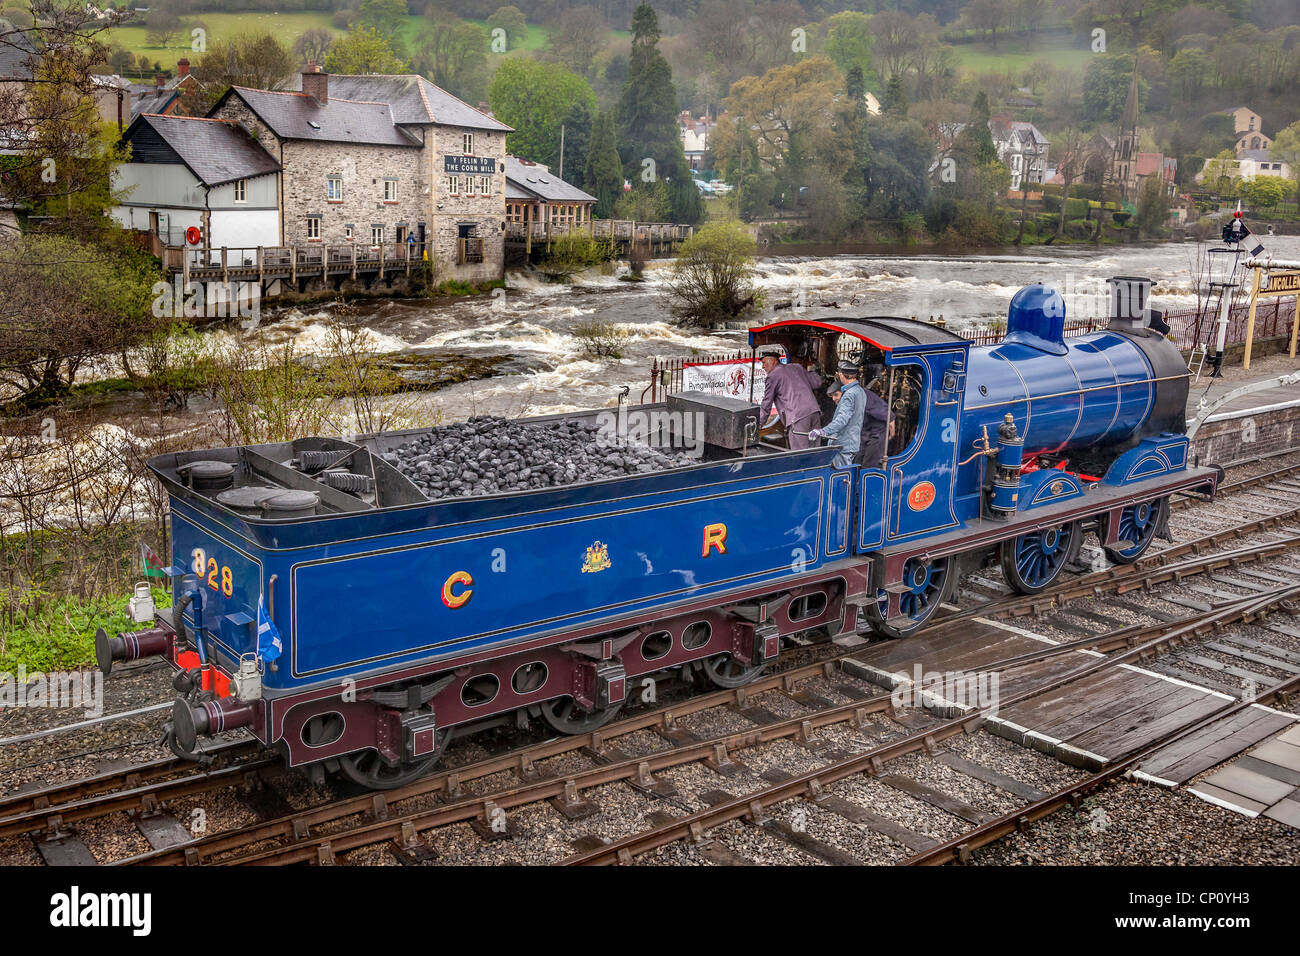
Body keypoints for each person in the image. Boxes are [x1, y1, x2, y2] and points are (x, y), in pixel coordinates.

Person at [757, 350, 821, 450]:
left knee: (800, 453)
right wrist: (814, 371)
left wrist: (759, 425)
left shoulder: (773, 376)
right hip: (814, 412)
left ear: (773, 361)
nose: (763, 367)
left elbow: (766, 403)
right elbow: (817, 383)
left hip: (798, 417)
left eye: (764, 362)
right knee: (815, 450)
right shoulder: (797, 367)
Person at [809, 360, 865, 468]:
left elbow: (842, 420)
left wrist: (823, 431)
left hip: (843, 444)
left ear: (841, 375)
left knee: (841, 476)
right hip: (851, 442)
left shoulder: (849, 394)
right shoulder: (860, 391)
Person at [855, 362, 891, 468]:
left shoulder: (867, 398)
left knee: (869, 464)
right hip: (866, 434)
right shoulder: (862, 396)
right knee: (858, 460)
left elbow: (891, 417)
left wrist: (891, 435)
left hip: (876, 436)